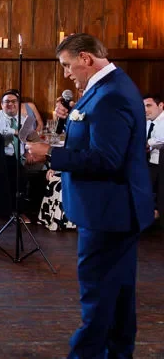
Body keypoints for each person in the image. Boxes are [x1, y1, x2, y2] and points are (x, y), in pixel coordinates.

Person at [26, 33, 154, 358]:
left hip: (108, 213)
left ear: (85, 58)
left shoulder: (111, 94)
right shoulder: (105, 88)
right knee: (120, 294)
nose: (67, 73)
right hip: (115, 211)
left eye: (68, 65)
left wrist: (51, 155)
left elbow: (106, 159)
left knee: (97, 295)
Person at [143, 93, 164, 221]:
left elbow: (160, 139)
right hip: (149, 164)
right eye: (143, 106)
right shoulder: (147, 122)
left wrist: (146, 144)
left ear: (160, 105)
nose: (145, 110)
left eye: (149, 105)